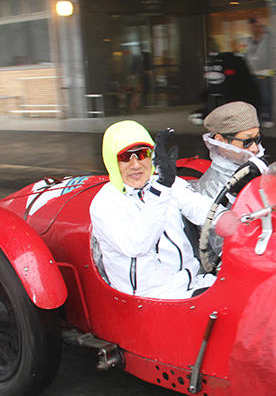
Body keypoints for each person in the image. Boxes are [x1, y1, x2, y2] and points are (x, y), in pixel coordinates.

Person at [90, 120, 215, 299]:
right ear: (112, 162)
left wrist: (239, 219)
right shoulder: (105, 203)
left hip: (191, 282)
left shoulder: (167, 184)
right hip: (150, 297)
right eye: (125, 157)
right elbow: (137, 245)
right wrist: (162, 187)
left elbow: (204, 210)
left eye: (142, 154)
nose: (135, 165)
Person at [191, 101, 276, 201]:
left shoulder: (256, 169)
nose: (255, 148)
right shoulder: (211, 189)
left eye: (257, 139)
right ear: (221, 141)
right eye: (247, 141)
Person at [246, 18, 275, 127]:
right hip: (252, 74)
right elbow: (246, 55)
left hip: (265, 73)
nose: (253, 29)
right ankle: (257, 118)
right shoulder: (249, 41)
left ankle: (267, 117)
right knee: (255, 97)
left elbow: (273, 33)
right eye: (251, 27)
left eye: (255, 26)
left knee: (265, 97)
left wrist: (263, 25)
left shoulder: (266, 38)